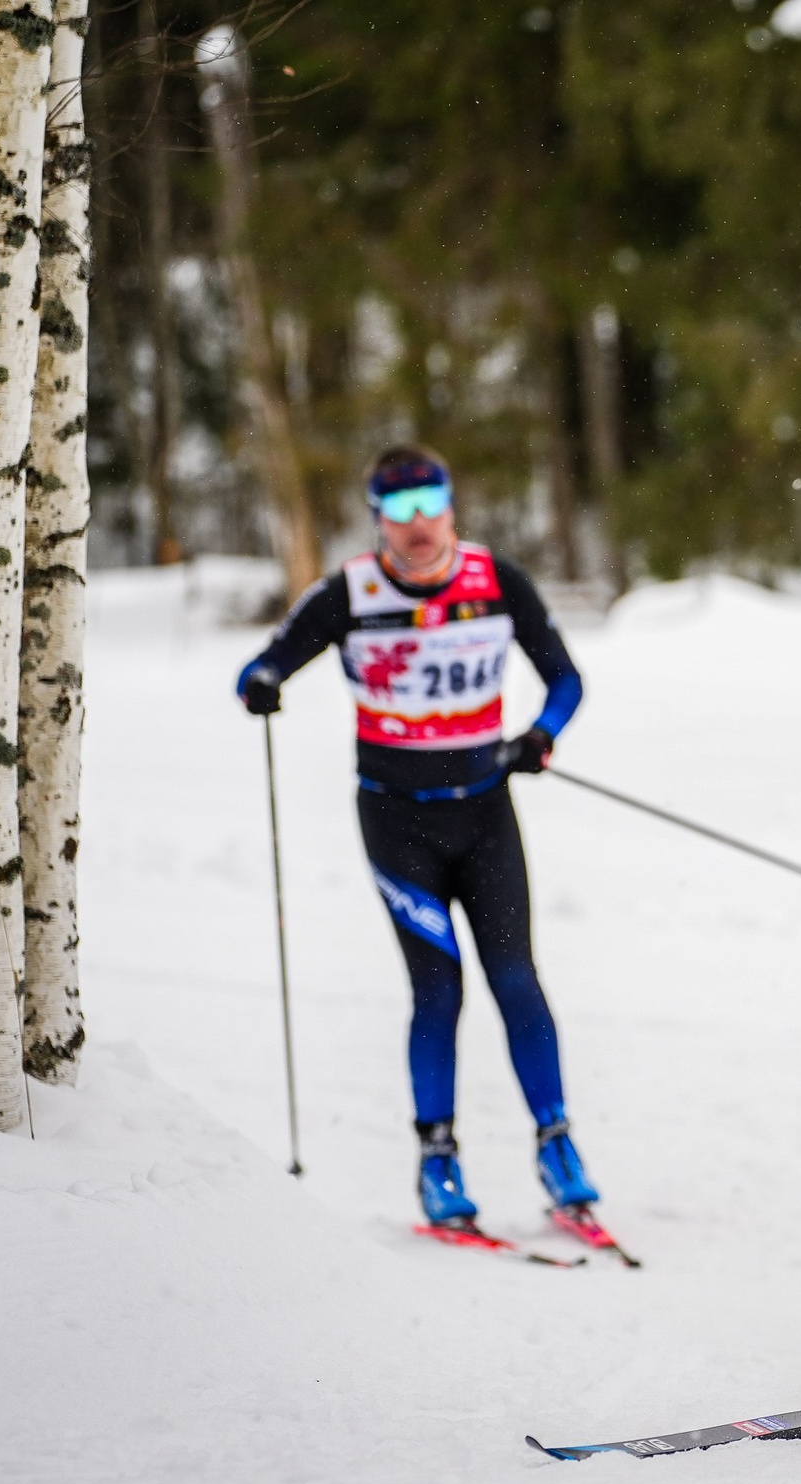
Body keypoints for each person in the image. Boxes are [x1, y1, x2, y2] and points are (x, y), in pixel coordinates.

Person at [234, 447, 604, 1240]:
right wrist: (262, 682)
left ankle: (557, 1145)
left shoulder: (495, 580)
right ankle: (437, 1160)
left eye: (429, 501)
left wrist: (539, 736)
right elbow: (264, 662)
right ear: (376, 519)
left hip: (485, 818)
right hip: (399, 827)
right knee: (438, 991)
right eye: (396, 510)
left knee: (516, 977)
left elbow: (566, 680)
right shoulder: (350, 594)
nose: (416, 525)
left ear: (451, 504)